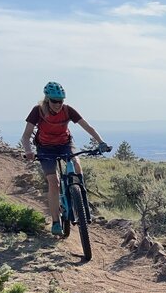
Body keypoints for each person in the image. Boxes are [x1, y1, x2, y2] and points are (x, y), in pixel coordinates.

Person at [21, 81, 110, 235]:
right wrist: (29, 151)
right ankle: (56, 222)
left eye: (61, 101)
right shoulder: (38, 111)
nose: (58, 104)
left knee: (76, 164)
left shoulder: (68, 110)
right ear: (47, 99)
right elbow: (26, 135)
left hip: (65, 144)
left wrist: (101, 142)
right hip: (45, 148)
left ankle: (81, 198)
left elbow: (88, 127)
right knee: (53, 182)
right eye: (55, 101)